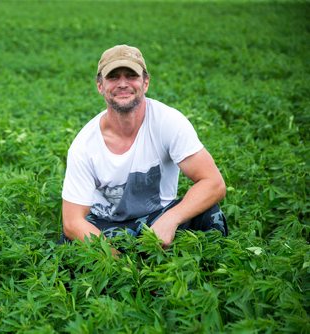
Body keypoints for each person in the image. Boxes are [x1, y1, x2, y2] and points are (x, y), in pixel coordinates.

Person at [60, 45, 227, 249]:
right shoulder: (85, 145)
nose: (123, 84)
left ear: (145, 82)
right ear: (100, 86)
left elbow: (213, 183)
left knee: (210, 214)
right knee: (70, 244)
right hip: (108, 226)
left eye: (131, 76)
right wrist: (116, 263)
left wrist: (172, 219)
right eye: (113, 77)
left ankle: (205, 269)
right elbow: (72, 221)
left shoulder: (168, 122)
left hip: (159, 217)